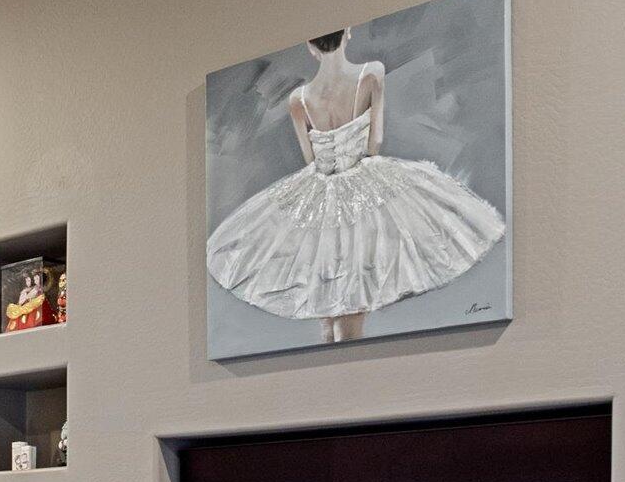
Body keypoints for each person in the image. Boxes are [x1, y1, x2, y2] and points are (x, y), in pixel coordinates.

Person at [205, 28, 505, 343]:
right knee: (353, 291)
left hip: (320, 187)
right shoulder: (371, 74)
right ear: (347, 33)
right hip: (361, 183)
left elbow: (310, 158)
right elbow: (374, 142)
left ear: (311, 47)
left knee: (326, 298)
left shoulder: (299, 99)